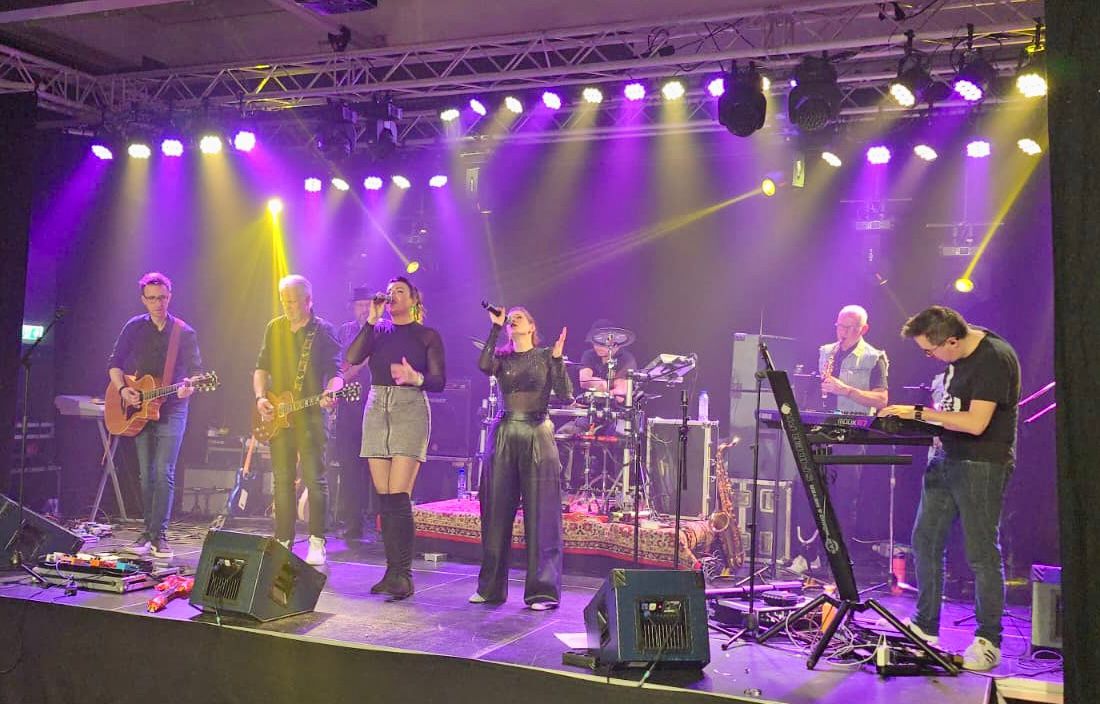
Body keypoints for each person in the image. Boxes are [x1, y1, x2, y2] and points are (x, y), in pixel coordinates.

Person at [881, 305, 1020, 671]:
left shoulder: (993, 358)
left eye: (931, 351)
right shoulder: (956, 357)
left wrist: (917, 413)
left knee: (981, 553)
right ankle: (924, 627)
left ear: (952, 341)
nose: (929, 358)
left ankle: (988, 640)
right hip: (944, 457)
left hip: (981, 463)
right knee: (925, 541)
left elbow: (975, 423)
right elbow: (948, 411)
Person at [345, 276, 446, 599]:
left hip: (409, 409)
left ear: (414, 299)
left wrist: (417, 378)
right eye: (390, 292)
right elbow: (353, 356)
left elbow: (439, 380)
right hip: (377, 408)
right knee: (384, 497)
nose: (393, 296)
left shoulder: (427, 335)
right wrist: (371, 319)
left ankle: (404, 575)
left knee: (399, 495)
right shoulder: (378, 331)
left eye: (400, 291)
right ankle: (391, 572)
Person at [470, 307, 571, 610]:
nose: (513, 321)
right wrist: (494, 328)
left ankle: (542, 592)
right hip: (505, 432)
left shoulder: (545, 356)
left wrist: (557, 360)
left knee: (541, 514)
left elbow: (566, 395)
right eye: (510, 318)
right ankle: (490, 589)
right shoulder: (502, 358)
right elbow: (483, 365)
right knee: (496, 512)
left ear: (531, 326)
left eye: (519, 318)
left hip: (537, 432)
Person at [108, 272, 203, 560]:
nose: (157, 303)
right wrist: (123, 390)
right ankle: (147, 533)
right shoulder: (134, 327)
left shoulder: (183, 332)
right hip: (141, 408)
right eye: (151, 298)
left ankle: (159, 535)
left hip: (172, 407)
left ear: (169, 297)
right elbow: (115, 363)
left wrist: (189, 388)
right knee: (146, 474)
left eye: (162, 297)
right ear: (143, 300)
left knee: (164, 471)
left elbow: (196, 373)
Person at [254, 275, 344, 566]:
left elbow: (336, 372)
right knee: (281, 480)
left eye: (293, 301)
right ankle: (283, 539)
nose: (288, 306)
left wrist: (331, 392)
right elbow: (261, 367)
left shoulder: (323, 331)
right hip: (279, 415)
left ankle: (317, 540)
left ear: (308, 300)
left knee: (315, 479)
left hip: (311, 415)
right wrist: (260, 398)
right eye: (284, 301)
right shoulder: (274, 328)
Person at [816, 304, 890, 539]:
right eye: (840, 326)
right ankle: (812, 550)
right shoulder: (825, 351)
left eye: (850, 328)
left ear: (863, 329)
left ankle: (842, 550)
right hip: (822, 428)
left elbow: (881, 400)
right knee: (812, 489)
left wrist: (846, 390)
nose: (843, 332)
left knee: (844, 495)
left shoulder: (873, 357)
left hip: (852, 432)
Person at [334, 287, 377, 540]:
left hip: (378, 408)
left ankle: (379, 523)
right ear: (352, 308)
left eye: (368, 304)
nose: (364, 309)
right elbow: (339, 367)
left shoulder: (384, 330)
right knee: (349, 467)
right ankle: (353, 523)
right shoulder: (344, 332)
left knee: (376, 467)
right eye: (360, 305)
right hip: (350, 409)